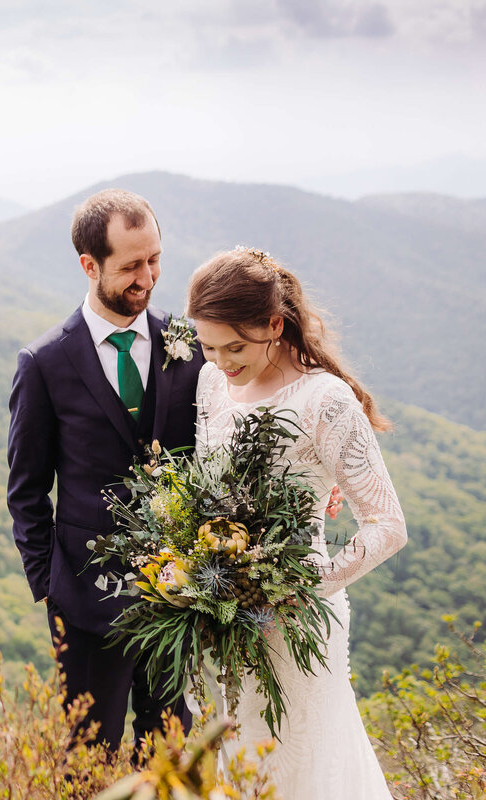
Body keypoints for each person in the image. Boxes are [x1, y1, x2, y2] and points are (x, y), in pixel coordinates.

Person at [187, 246, 407, 798]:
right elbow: (208, 494)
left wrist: (299, 589)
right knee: (237, 765)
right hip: (225, 618)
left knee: (298, 768)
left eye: (234, 346)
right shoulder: (211, 383)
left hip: (297, 624)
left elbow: (387, 525)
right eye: (207, 346)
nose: (220, 361)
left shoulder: (325, 400)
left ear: (274, 324)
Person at [7, 189, 202, 753]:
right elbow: (26, 490)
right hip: (85, 601)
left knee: (169, 750)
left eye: (155, 259)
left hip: (175, 594)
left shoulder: (185, 345)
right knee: (88, 758)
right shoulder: (44, 363)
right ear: (90, 265)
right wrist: (50, 586)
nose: (149, 277)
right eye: (131, 266)